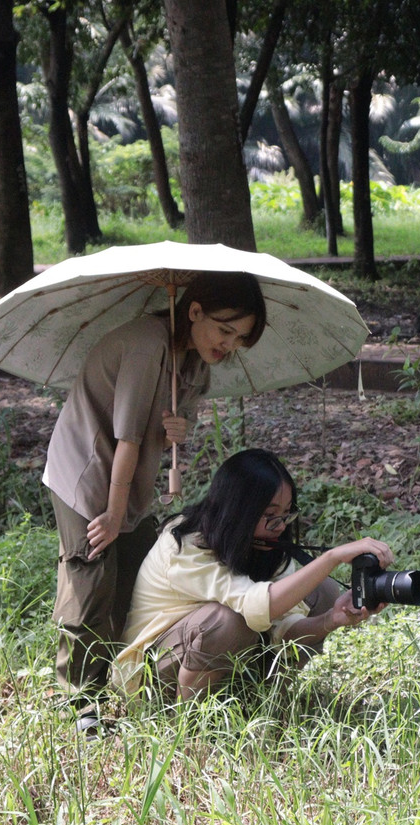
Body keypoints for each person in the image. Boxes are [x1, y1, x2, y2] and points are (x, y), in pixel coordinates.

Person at [45, 271, 267, 734]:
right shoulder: (147, 346)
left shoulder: (196, 363)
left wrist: (179, 429)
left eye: (240, 338)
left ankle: (115, 682)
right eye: (224, 330)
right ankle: (78, 706)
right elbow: (126, 439)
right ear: (194, 311)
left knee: (132, 577)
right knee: (92, 579)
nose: (228, 344)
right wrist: (110, 514)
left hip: (127, 483)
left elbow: (167, 423)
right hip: (88, 473)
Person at [113, 448, 393, 700]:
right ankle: (188, 727)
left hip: (225, 660)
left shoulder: (264, 544)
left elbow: (281, 632)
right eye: (270, 515)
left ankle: (265, 704)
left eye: (286, 513)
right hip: (150, 680)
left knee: (323, 592)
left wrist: (331, 620)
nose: (280, 525)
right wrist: (332, 557)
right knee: (230, 620)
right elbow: (257, 605)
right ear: (237, 511)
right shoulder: (185, 545)